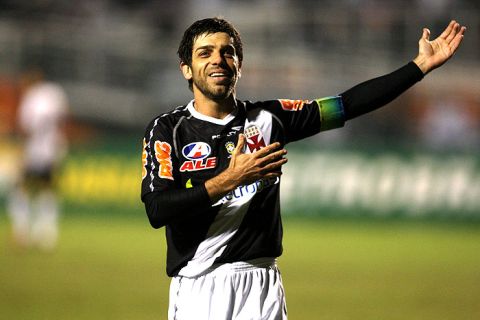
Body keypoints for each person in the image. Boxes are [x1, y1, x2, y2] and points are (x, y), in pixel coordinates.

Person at [141, 18, 465, 319]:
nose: (218, 60)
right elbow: (157, 209)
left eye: (228, 52)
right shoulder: (168, 130)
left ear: (239, 65)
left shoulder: (268, 118)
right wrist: (230, 179)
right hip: (200, 285)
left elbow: (346, 105)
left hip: (261, 283)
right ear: (186, 68)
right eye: (205, 53)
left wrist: (419, 66)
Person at [7, 67, 69, 251]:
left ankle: (22, 231)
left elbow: (27, 128)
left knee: (21, 189)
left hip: (34, 151)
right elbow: (63, 120)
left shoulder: (31, 98)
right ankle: (47, 234)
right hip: (54, 149)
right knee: (48, 190)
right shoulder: (54, 93)